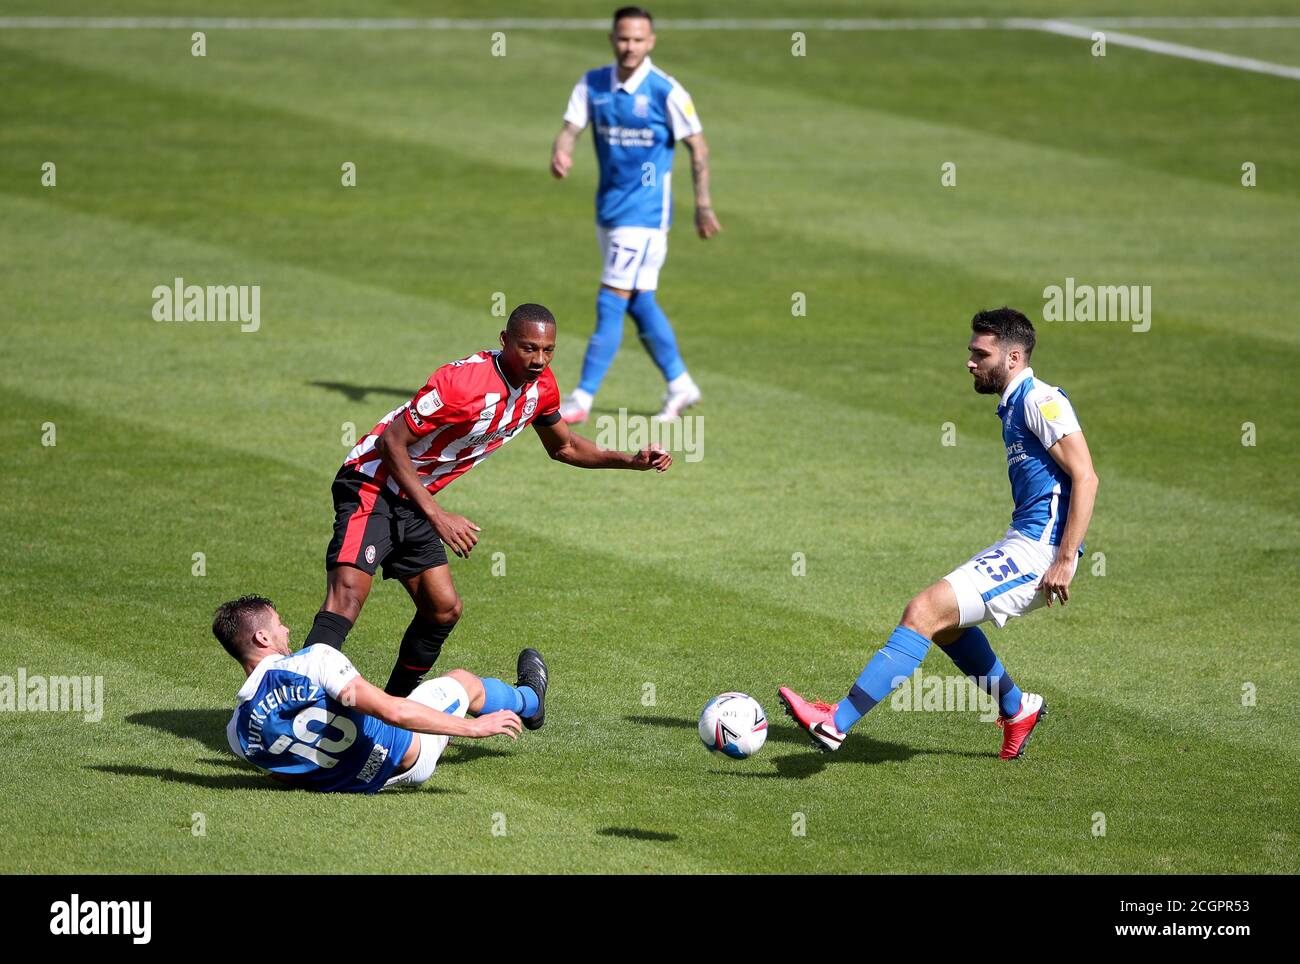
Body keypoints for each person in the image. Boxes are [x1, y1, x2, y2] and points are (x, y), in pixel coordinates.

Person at [301, 302, 671, 698]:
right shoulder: (461, 384)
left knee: (442, 609)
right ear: (504, 340)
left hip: (414, 498)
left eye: (548, 350)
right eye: (528, 348)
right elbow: (393, 441)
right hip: (371, 484)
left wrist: (632, 461)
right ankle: (292, 706)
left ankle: (397, 709)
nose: (539, 359)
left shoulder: (541, 388)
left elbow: (564, 447)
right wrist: (437, 515)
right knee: (347, 597)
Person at [779, 308, 1100, 760]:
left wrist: (1065, 559)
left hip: (1040, 553)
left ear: (1012, 356)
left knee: (924, 611)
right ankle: (1017, 708)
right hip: (1022, 541)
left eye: (980, 353)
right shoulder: (1013, 402)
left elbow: (1086, 477)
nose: (970, 362)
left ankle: (835, 722)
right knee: (946, 627)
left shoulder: (1040, 400)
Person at [550, 5, 720, 424]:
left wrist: (702, 205)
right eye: (624, 38)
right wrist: (562, 150)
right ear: (612, 39)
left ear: (651, 42)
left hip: (645, 217)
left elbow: (698, 147)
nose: (630, 46)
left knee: (610, 300)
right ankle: (681, 385)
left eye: (638, 39)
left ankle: (582, 399)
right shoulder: (593, 84)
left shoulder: (666, 91)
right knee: (641, 302)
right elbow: (571, 128)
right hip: (607, 211)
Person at [215, 595, 546, 793]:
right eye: (279, 623)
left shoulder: (237, 734)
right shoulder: (313, 660)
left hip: (373, 783)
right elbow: (394, 713)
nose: (286, 630)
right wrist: (474, 728)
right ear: (262, 637)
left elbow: (288, 774)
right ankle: (530, 700)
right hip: (411, 751)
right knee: (464, 682)